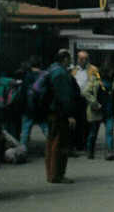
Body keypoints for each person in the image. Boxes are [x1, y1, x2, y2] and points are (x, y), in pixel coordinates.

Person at [44, 49, 79, 184]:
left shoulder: (51, 70)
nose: (70, 61)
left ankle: (51, 173)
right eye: (69, 58)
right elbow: (64, 96)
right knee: (60, 144)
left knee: (51, 143)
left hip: (52, 112)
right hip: (60, 114)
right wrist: (69, 114)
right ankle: (57, 174)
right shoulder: (61, 74)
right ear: (64, 59)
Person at [82, 65, 114, 160]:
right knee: (93, 133)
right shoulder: (95, 80)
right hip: (97, 110)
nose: (112, 73)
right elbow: (85, 92)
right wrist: (94, 102)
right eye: (110, 71)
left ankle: (110, 152)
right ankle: (90, 151)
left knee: (109, 132)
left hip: (109, 110)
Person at [71, 50, 99, 152]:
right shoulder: (73, 70)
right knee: (77, 122)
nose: (83, 61)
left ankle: (86, 144)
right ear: (77, 59)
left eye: (85, 59)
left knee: (87, 122)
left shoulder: (93, 69)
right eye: (81, 58)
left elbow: (98, 81)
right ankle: (77, 144)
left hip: (87, 99)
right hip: (76, 99)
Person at [19, 56, 48, 148]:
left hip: (29, 107)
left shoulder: (27, 75)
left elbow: (23, 93)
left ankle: (22, 149)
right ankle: (54, 146)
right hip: (41, 107)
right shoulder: (44, 75)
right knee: (45, 128)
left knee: (26, 130)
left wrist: (22, 106)